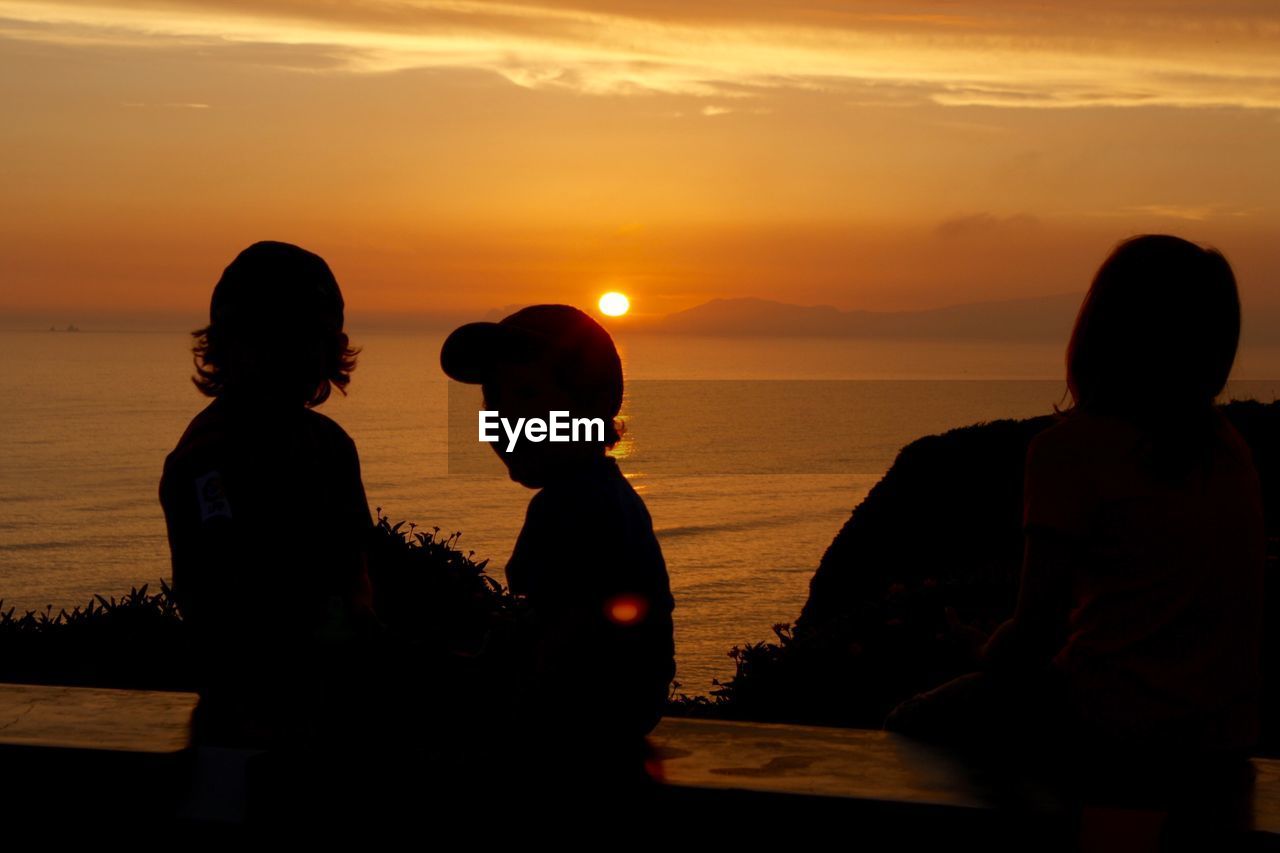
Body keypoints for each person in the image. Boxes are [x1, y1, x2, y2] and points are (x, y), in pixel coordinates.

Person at [885, 235, 1265, 820]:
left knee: (908, 726)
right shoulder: (1225, 447)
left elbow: (1033, 636)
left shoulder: (1070, 452)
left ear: (1102, 327)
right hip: (1223, 732)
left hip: (1109, 727)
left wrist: (984, 647)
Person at [439, 304, 676, 804]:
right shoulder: (596, 494)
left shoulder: (571, 507)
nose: (506, 419)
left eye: (527, 395)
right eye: (494, 400)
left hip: (575, 749)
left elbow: (560, 657)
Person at [159, 241, 380, 753]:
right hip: (246, 721)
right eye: (271, 337)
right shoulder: (209, 456)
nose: (296, 354)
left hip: (335, 711)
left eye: (311, 338)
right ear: (228, 345)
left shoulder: (331, 444)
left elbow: (357, 573)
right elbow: (220, 600)